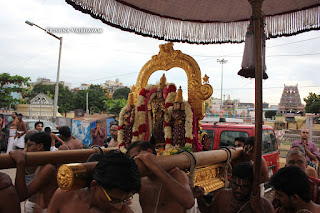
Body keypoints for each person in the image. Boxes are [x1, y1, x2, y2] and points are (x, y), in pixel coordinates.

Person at [47, 150, 141, 213]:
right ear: (94, 185)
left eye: (125, 200)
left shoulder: (122, 211)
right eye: (114, 200)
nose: (118, 206)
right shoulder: (65, 196)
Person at [127, 141, 195, 212]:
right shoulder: (142, 180)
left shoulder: (175, 174)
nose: (134, 163)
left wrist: (154, 166)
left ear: (148, 152)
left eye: (135, 157)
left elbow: (189, 202)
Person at [9, 132, 58, 212]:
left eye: (29, 145)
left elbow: (21, 195)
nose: (26, 149)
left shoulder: (48, 168)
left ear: (39, 146)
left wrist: (20, 163)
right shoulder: (40, 163)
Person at [209, 162, 273, 213]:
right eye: (235, 185)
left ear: (253, 186)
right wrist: (200, 199)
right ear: (231, 181)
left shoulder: (265, 206)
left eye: (244, 187)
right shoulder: (222, 196)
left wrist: (258, 210)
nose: (238, 190)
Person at [148, 74, 166, 147]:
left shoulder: (164, 101)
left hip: (161, 118)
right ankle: (155, 142)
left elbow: (165, 109)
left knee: (161, 131)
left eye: (160, 93)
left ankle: (161, 143)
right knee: (154, 131)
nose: (159, 94)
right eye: (158, 93)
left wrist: (162, 107)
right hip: (154, 118)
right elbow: (150, 108)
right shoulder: (154, 100)